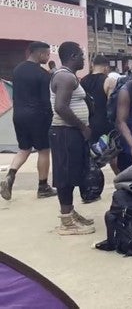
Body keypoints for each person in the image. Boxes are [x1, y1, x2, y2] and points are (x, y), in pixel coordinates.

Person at [0, 41, 57, 201]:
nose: (47, 57)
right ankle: (43, 186)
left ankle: (10, 176)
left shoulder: (17, 70)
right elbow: (46, 101)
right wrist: (52, 116)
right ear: (39, 54)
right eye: (47, 54)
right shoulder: (42, 74)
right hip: (38, 116)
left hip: (18, 115)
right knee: (44, 150)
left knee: (24, 149)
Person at [50, 42, 94, 235]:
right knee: (65, 175)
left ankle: (70, 211)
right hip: (65, 132)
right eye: (82, 56)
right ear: (74, 56)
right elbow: (60, 107)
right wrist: (82, 126)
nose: (84, 59)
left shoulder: (67, 76)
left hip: (69, 132)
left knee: (72, 171)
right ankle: (66, 221)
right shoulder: (65, 77)